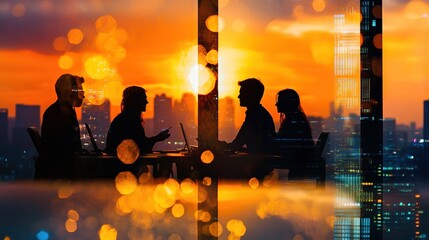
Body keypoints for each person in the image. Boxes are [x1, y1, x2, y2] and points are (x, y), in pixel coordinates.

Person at [105, 86, 171, 176]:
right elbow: (140, 146)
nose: (146, 102)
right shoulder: (130, 120)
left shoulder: (125, 118)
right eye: (144, 99)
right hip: (126, 170)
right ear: (136, 101)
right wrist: (157, 138)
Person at [37, 73, 86, 179]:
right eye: (80, 91)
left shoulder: (62, 112)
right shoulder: (59, 114)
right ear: (69, 92)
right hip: (59, 174)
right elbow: (64, 149)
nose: (83, 95)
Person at [221, 78, 275, 153]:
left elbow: (238, 144)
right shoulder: (257, 114)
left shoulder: (255, 117)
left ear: (251, 95)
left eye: (242, 93)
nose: (239, 96)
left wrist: (223, 146)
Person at [274, 88, 315, 179]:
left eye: (279, 101)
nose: (276, 104)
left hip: (298, 163)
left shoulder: (293, 121)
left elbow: (283, 145)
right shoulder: (296, 118)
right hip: (299, 162)